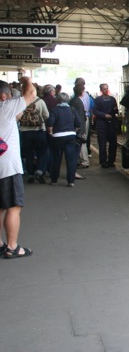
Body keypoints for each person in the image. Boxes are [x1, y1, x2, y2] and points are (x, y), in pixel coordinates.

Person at [0, 76, 37, 259]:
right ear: (4, 97)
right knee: (14, 206)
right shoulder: (5, 108)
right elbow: (31, 93)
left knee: (0, 207)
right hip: (7, 167)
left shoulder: (8, 112)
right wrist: (25, 79)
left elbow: (18, 115)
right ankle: (12, 247)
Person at [46, 92, 82, 187]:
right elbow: (78, 123)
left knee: (56, 159)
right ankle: (71, 181)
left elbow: (50, 123)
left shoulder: (54, 110)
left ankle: (54, 180)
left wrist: (51, 130)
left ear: (57, 100)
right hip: (70, 136)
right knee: (70, 159)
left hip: (57, 137)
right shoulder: (72, 110)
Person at [19, 91, 49, 184]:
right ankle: (39, 171)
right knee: (42, 152)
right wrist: (41, 120)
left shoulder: (21, 101)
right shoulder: (40, 101)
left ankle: (30, 174)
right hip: (39, 131)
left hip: (25, 132)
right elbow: (47, 115)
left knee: (28, 154)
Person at [93, 83, 119, 168]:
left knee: (113, 143)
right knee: (102, 144)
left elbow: (116, 110)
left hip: (111, 124)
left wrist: (115, 110)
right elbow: (95, 111)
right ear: (101, 90)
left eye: (107, 88)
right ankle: (103, 161)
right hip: (102, 124)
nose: (106, 90)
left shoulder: (112, 99)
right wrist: (104, 115)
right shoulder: (97, 100)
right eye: (104, 89)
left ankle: (111, 161)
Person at [69, 84, 87, 180]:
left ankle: (72, 172)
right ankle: (73, 173)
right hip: (77, 131)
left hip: (73, 129)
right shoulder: (78, 102)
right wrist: (82, 132)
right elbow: (80, 119)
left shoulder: (72, 101)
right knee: (75, 153)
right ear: (81, 92)